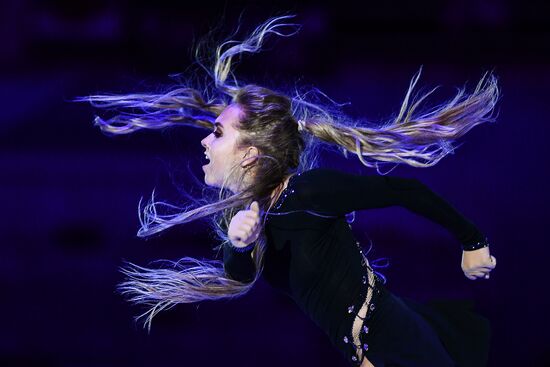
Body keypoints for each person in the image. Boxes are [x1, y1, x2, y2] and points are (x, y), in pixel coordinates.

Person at [81, 15, 498, 367]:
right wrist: (239, 244)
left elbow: (403, 190)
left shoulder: (310, 194)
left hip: (396, 339)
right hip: (366, 349)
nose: (205, 142)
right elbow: (239, 273)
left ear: (248, 154)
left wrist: (472, 241)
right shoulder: (245, 218)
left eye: (217, 133)